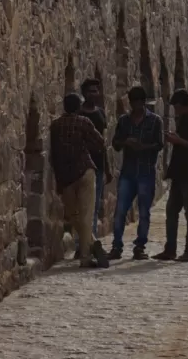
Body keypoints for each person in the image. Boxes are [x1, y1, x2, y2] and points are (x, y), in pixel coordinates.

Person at [49, 92, 108, 269]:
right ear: (79, 107)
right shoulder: (84, 122)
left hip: (66, 176)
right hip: (84, 171)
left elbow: (54, 153)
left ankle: (90, 245)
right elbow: (100, 143)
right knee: (86, 215)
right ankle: (87, 254)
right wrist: (83, 147)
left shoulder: (56, 125)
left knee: (74, 216)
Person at [110, 85, 163, 260]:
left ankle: (140, 246)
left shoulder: (155, 121)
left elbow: (159, 145)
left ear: (143, 102)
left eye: (138, 102)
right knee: (120, 210)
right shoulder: (124, 121)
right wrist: (127, 142)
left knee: (144, 211)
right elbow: (116, 143)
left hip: (146, 171)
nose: (135, 106)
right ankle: (116, 246)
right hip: (129, 171)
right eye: (133, 103)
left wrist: (143, 147)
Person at [155, 88, 188, 262]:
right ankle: (170, 249)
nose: (175, 111)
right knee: (171, 211)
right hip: (179, 172)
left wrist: (179, 141)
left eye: (177, 107)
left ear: (183, 105)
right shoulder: (184, 119)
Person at [79, 77, 110, 246]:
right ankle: (84, 243)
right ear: (84, 93)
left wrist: (107, 168)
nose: (94, 94)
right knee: (81, 207)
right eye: (91, 91)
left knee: (94, 206)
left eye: (96, 91)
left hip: (97, 164)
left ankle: (89, 243)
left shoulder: (100, 114)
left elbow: (102, 143)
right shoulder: (79, 114)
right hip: (81, 165)